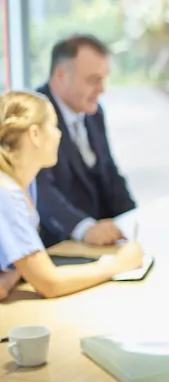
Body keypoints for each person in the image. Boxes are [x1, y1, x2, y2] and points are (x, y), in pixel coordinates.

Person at [0, 91, 144, 301]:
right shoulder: (7, 194)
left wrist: (13, 275)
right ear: (35, 134)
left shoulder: (25, 184)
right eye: (53, 126)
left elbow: (20, 264)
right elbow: (50, 283)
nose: (59, 135)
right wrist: (118, 265)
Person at [36, 34, 137, 247]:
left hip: (103, 241)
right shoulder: (35, 117)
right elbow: (40, 190)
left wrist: (135, 220)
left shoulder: (94, 112)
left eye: (104, 78)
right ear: (61, 75)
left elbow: (109, 173)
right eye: (93, 80)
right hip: (61, 244)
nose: (102, 90)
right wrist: (84, 228)